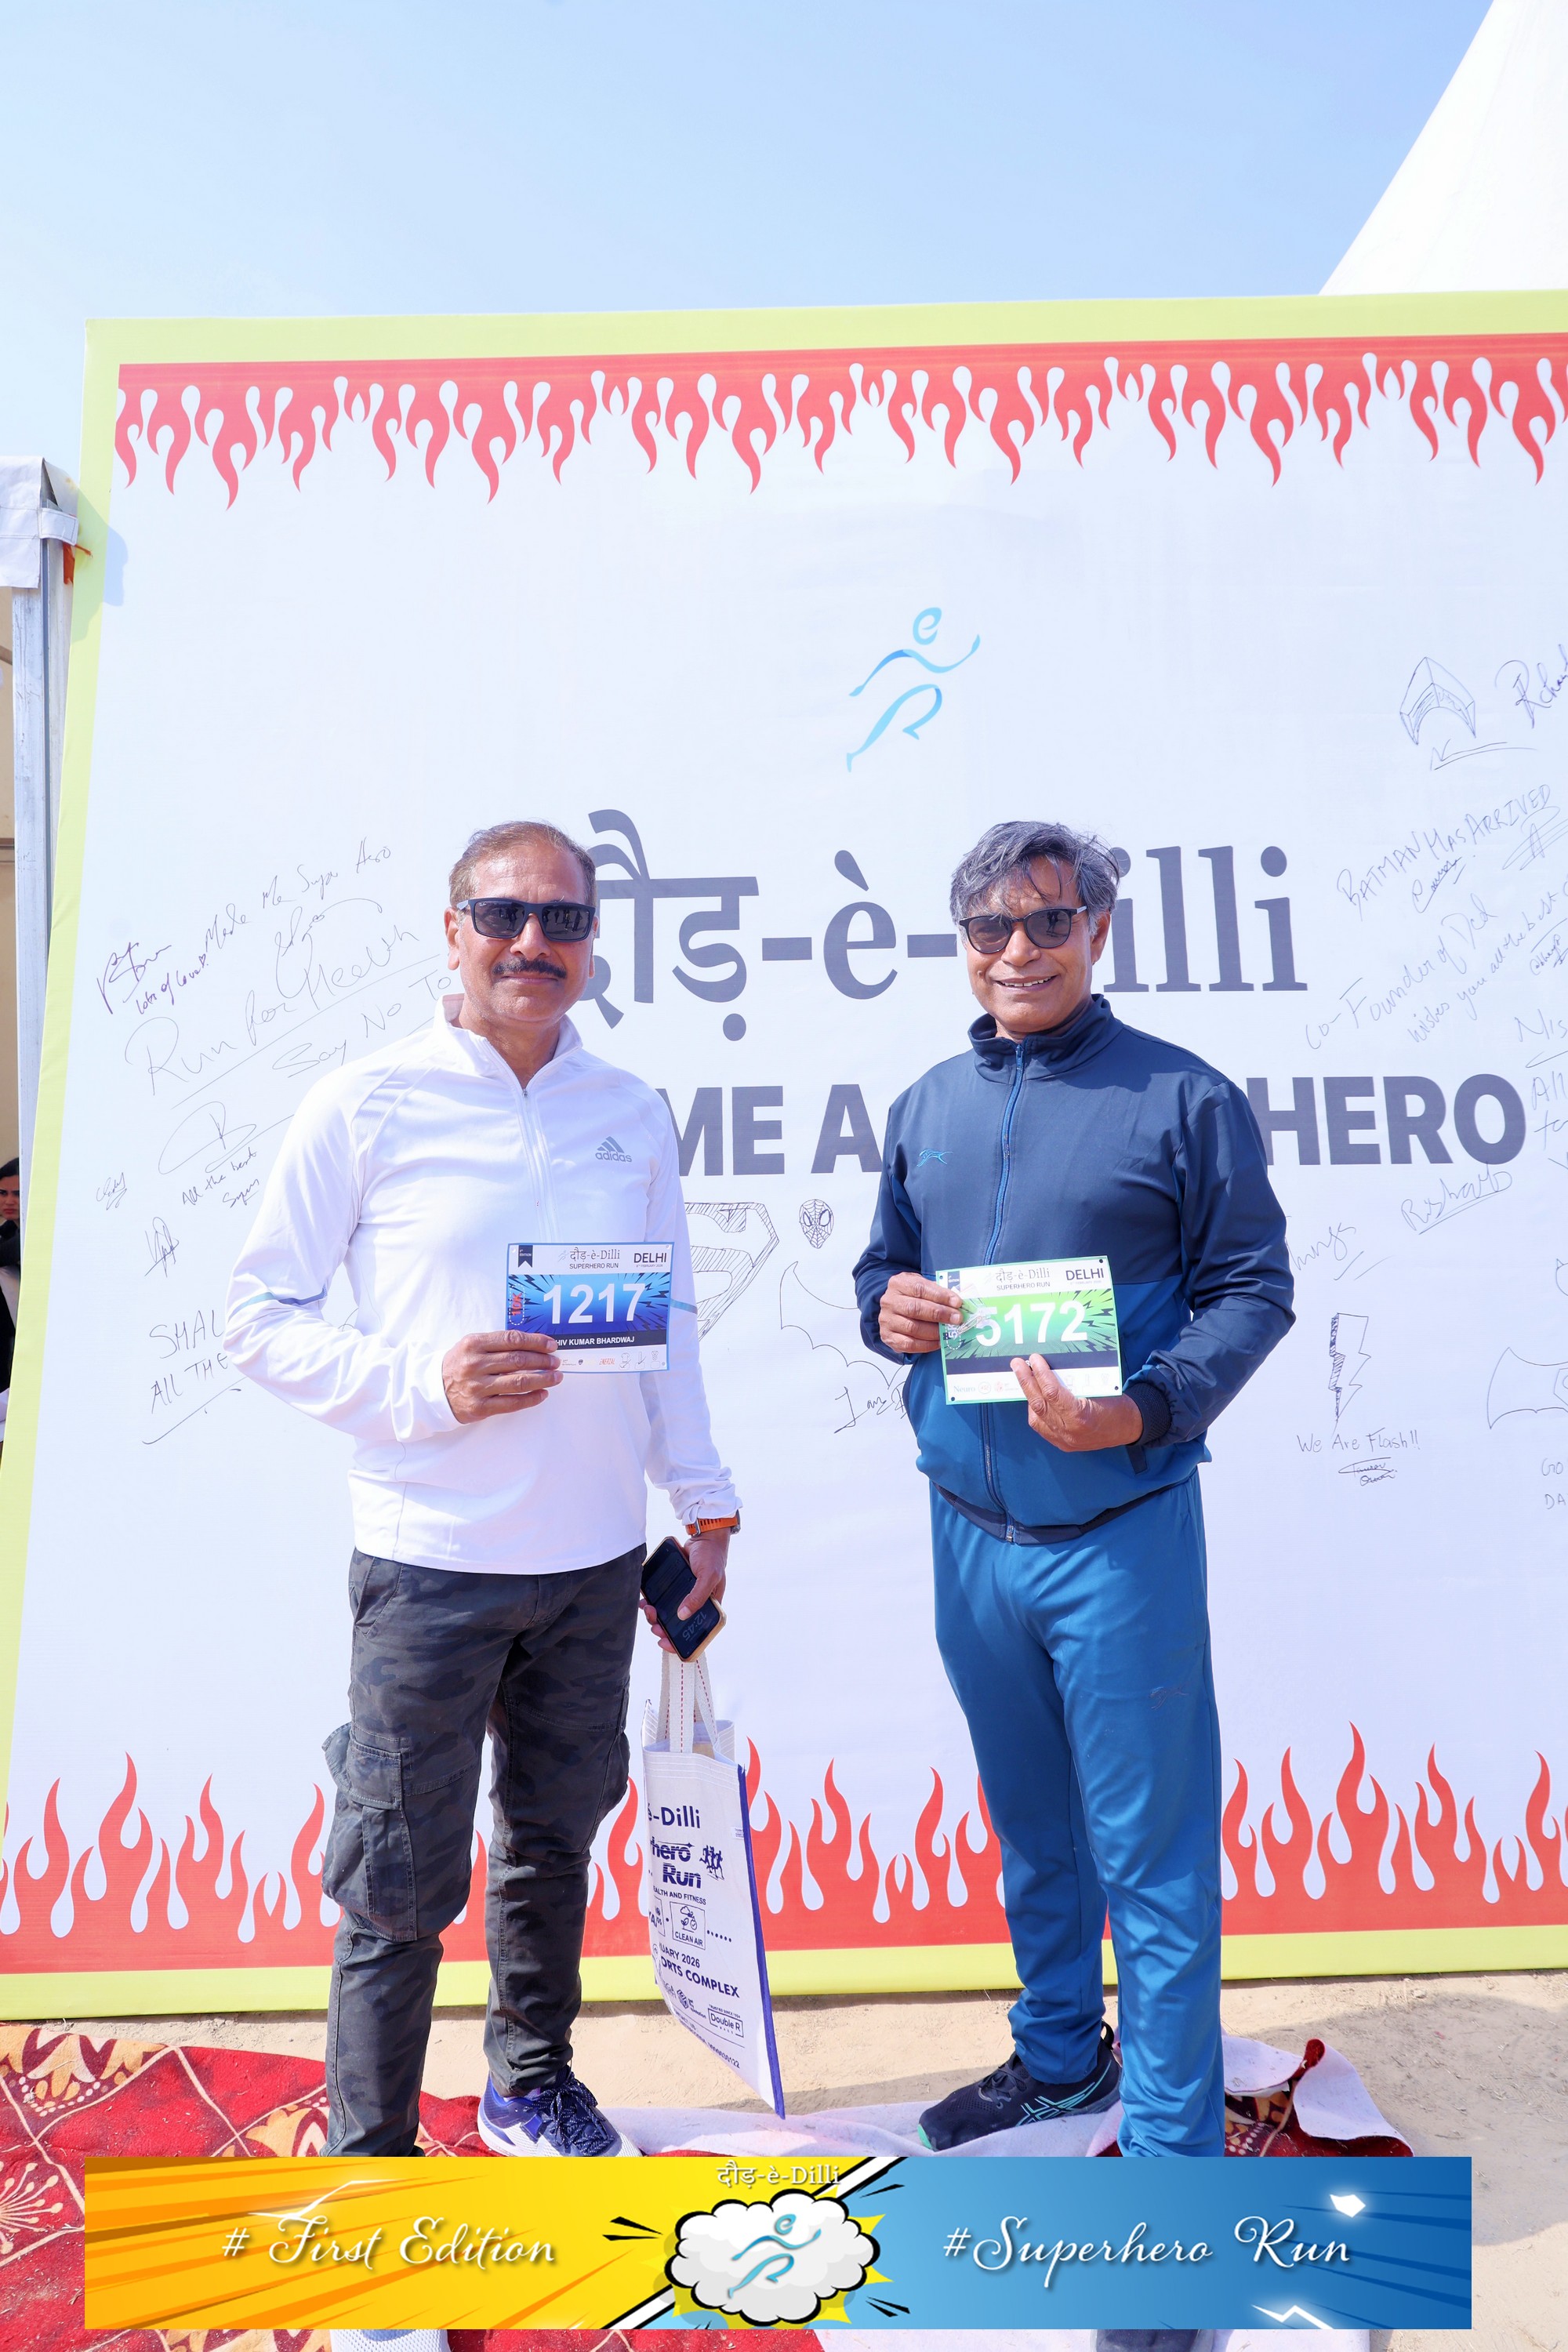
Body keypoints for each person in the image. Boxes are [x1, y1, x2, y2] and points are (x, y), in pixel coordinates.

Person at [227, 820, 740, 2176]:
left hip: (594, 1559)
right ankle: (372, 2157)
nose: (532, 942)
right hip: (430, 1562)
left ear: (592, 943)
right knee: (397, 1874)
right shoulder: (367, 1102)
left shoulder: (628, 1108)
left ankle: (532, 2087)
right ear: (452, 930)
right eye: (503, 915)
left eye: (562, 920)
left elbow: (672, 1322)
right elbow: (256, 1317)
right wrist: (422, 1384)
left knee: (554, 1842)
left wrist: (703, 1499)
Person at [854, 822, 1292, 2205]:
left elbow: (1254, 1289)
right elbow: (883, 1270)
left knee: (1150, 1856)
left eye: (1049, 921)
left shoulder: (1182, 1098)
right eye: (990, 927)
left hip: (1119, 1532)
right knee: (1035, 1828)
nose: (1019, 951)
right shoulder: (925, 1104)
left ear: (1097, 929)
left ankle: (1169, 2156)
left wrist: (1144, 1409)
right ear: (963, 945)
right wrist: (887, 1311)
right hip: (969, 1532)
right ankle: (1058, 2060)